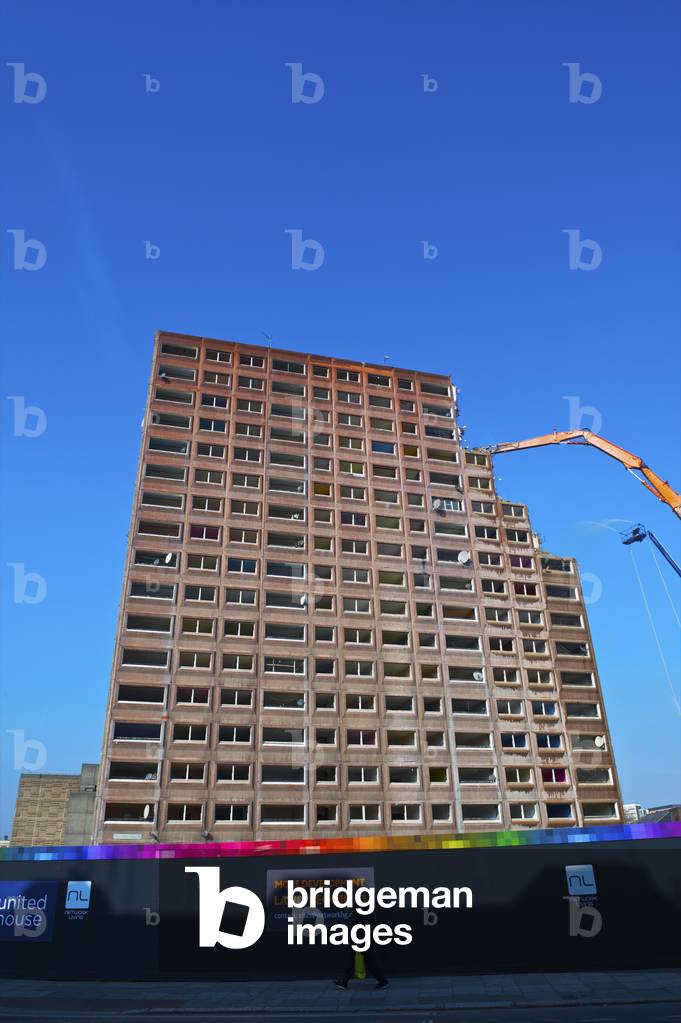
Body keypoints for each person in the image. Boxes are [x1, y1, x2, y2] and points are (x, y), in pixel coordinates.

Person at [334, 905, 389, 990]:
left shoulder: (362, 909)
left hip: (361, 938)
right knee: (358, 960)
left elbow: (364, 922)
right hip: (361, 937)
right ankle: (344, 982)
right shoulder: (363, 908)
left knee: (367, 960)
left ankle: (383, 981)